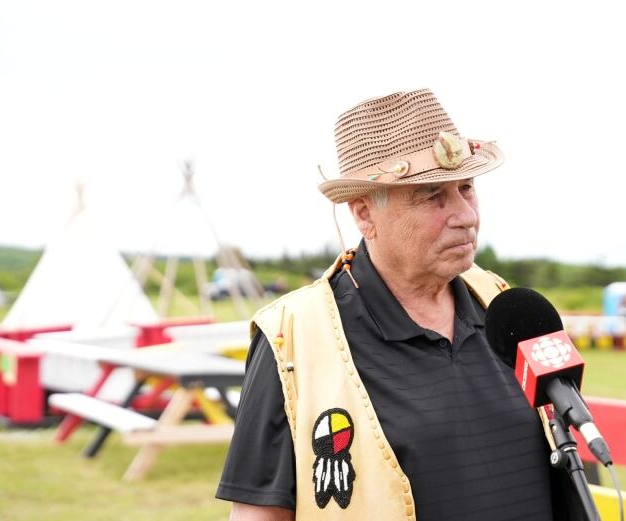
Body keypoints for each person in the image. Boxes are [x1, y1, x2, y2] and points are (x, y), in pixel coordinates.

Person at [217, 89, 580, 520]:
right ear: (364, 214)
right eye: (432, 196)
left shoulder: (504, 306)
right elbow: (260, 514)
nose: (465, 214)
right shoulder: (293, 336)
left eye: (466, 188)